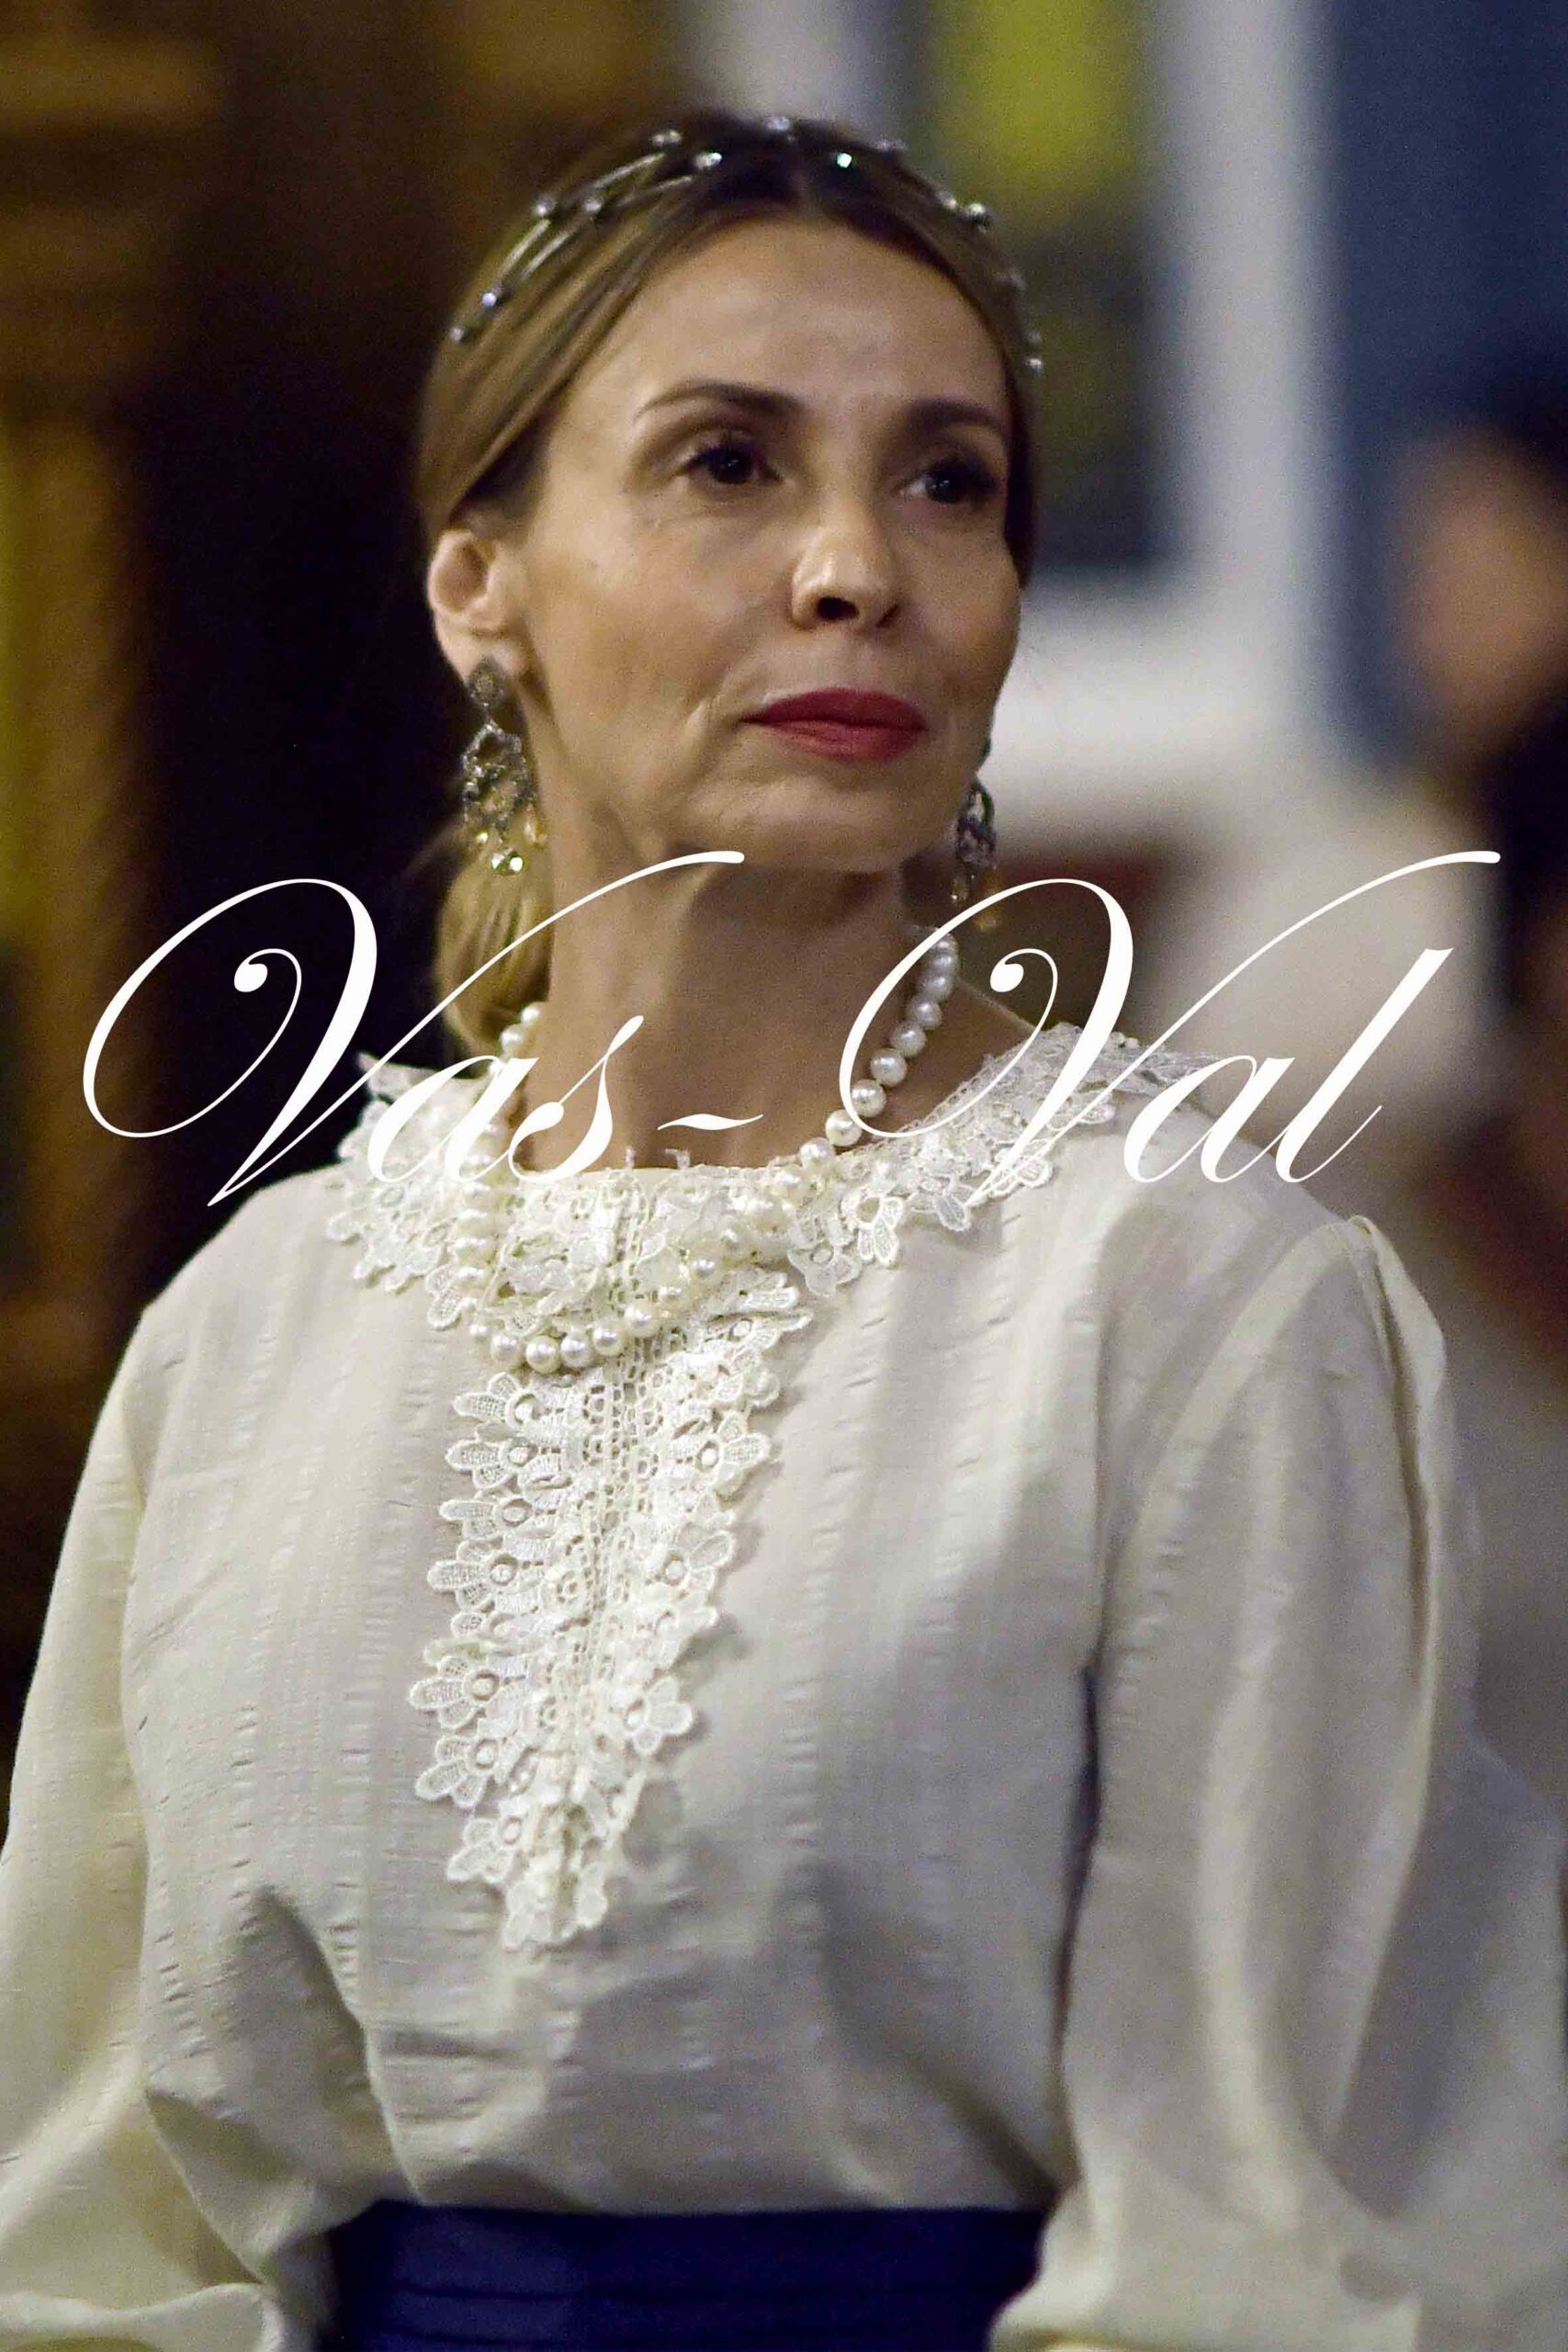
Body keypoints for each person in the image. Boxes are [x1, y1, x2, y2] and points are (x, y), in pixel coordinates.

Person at [0, 109, 1563, 2352]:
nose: (855, 566)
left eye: (946, 482)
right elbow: (95, 2223)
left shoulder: (1184, 1295)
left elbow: (1270, 2240)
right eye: (726, 463)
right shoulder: (257, 1332)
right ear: (480, 585)